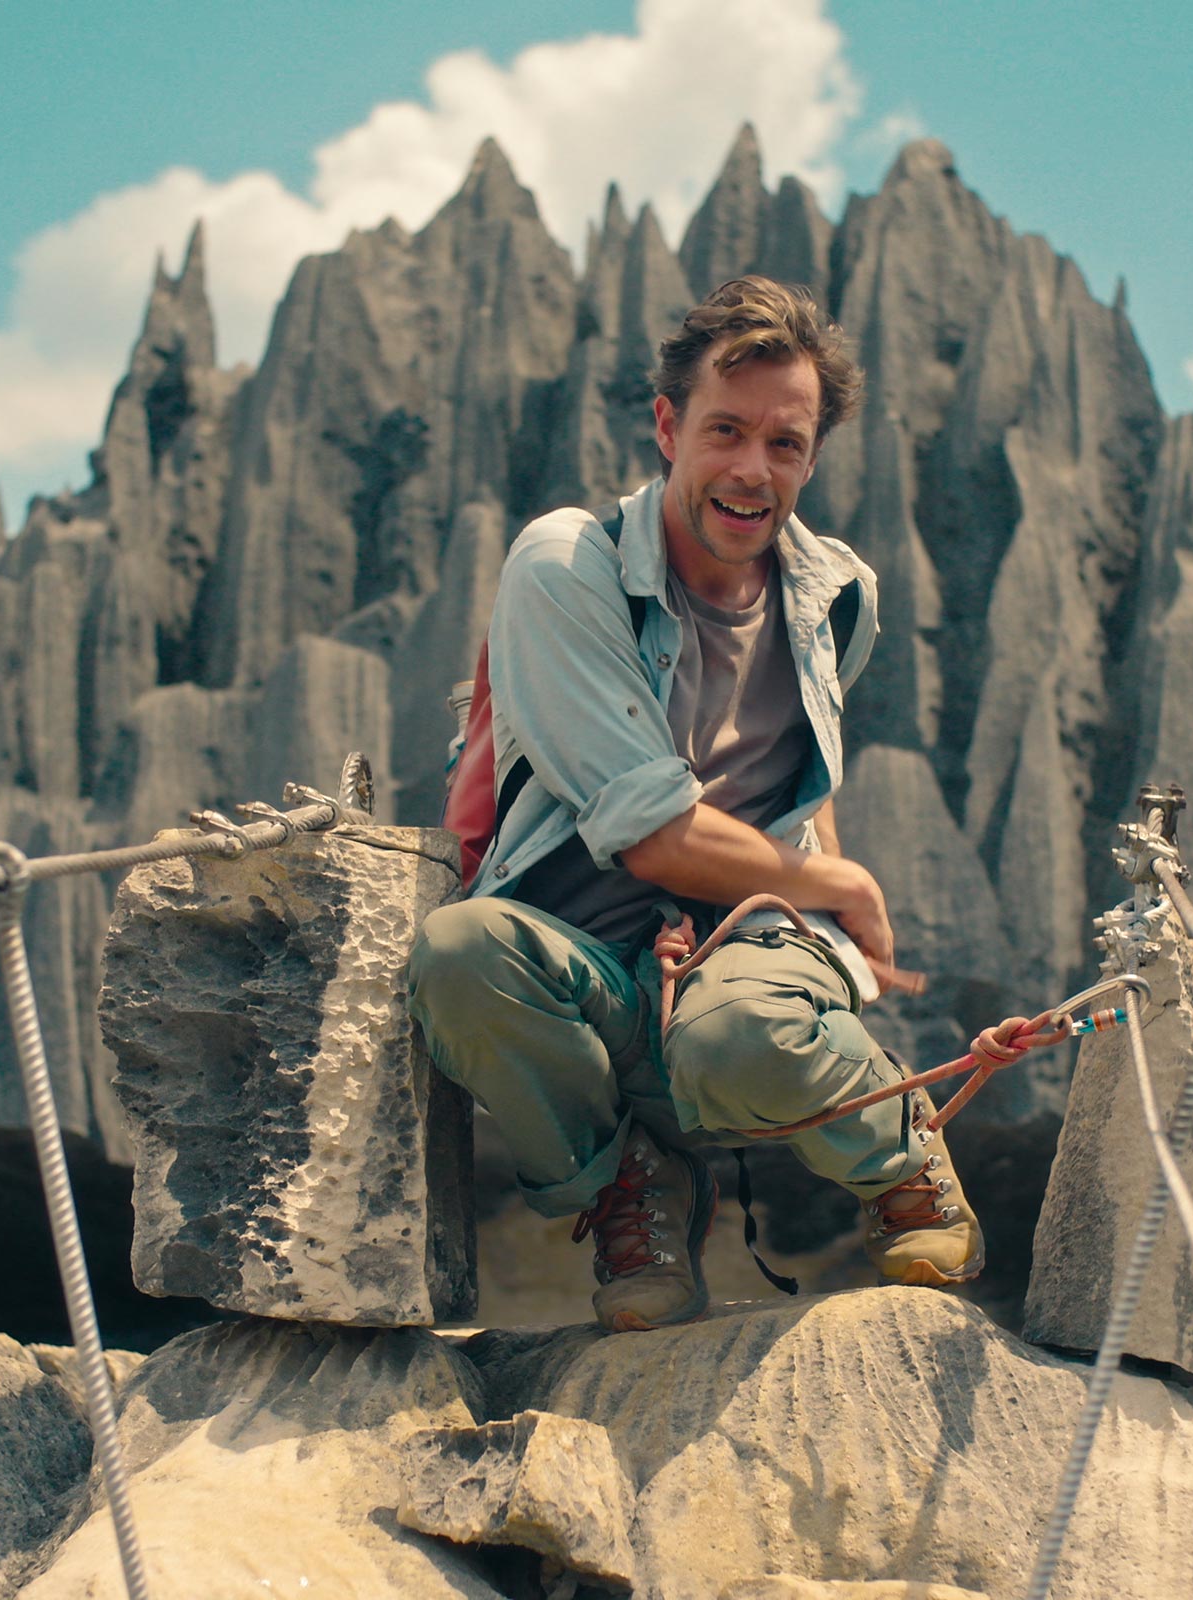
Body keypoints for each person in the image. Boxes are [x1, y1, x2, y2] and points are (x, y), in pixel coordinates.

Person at [406, 276, 980, 1332]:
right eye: (726, 430)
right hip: (583, 965)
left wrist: (812, 929)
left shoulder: (837, 596)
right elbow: (652, 828)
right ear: (669, 427)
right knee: (456, 955)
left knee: (740, 1034)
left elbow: (803, 775)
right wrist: (841, 884)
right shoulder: (563, 564)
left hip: (743, 960)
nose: (754, 469)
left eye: (787, 443)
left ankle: (899, 1148)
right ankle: (638, 1179)